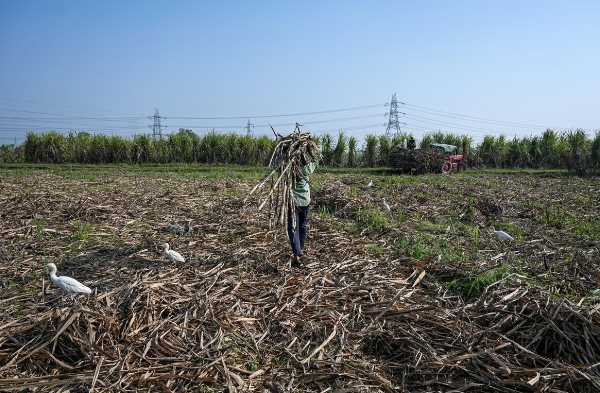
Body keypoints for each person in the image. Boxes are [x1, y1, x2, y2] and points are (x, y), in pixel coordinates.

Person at [288, 140, 319, 267]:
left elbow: (278, 165)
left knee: (293, 227)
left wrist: (286, 151)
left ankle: (296, 254)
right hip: (305, 200)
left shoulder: (289, 168)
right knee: (302, 226)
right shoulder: (306, 168)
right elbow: (316, 161)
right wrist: (311, 150)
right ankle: (300, 252)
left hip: (293, 201)